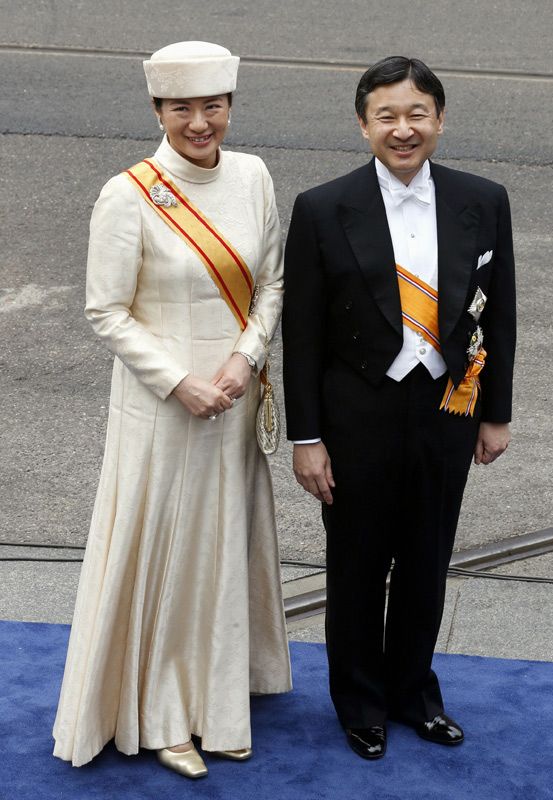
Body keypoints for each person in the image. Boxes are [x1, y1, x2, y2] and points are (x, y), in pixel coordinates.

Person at [53, 41, 291, 778]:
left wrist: (243, 359)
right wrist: (179, 381)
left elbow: (272, 283)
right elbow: (106, 310)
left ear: (228, 108)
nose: (199, 123)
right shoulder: (129, 193)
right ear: (157, 110)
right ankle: (161, 716)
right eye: (182, 108)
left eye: (212, 107)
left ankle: (220, 697)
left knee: (220, 545)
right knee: (171, 551)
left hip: (232, 392)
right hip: (164, 408)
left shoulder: (251, 175)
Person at [282, 56, 515, 760]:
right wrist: (306, 437)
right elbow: (303, 333)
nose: (402, 128)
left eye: (417, 114)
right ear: (362, 125)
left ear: (439, 120)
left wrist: (495, 412)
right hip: (356, 416)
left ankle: (413, 693)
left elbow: (498, 313)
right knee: (355, 565)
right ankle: (358, 702)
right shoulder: (323, 207)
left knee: (425, 561)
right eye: (386, 115)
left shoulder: (483, 199)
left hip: (447, 409)